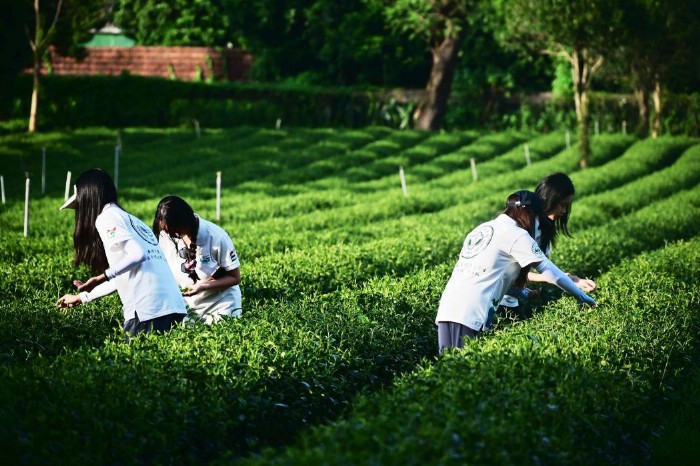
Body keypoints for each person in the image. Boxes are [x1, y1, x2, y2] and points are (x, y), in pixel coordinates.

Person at [436, 190, 596, 352]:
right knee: (464, 368)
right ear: (529, 213)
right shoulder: (516, 234)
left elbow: (488, 274)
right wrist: (583, 297)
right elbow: (549, 271)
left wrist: (523, 292)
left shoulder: (483, 228)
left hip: (448, 309)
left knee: (451, 366)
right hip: (470, 313)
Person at [56, 168, 187, 340]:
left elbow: (137, 254)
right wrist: (82, 297)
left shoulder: (105, 218)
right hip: (173, 307)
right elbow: (124, 275)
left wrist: (101, 277)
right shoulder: (132, 220)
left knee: (133, 364)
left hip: (147, 310)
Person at [499, 172, 596, 318]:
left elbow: (540, 271)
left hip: (511, 299)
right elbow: (508, 272)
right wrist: (568, 280)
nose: (564, 211)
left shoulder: (543, 230)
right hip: (497, 300)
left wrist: (570, 279)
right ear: (549, 200)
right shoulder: (522, 228)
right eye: (562, 205)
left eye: (567, 207)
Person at [152, 195, 242, 324]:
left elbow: (235, 277)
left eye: (172, 230)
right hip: (188, 307)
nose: (169, 235)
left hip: (221, 305)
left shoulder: (216, 236)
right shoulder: (166, 237)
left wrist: (203, 286)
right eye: (165, 230)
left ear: (183, 222)